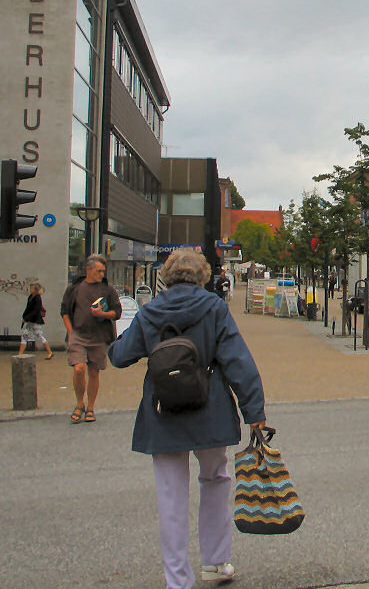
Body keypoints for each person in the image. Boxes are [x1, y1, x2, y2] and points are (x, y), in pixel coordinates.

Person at [108, 248, 266, 589]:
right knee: (215, 478)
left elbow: (120, 356)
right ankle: (216, 561)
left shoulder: (150, 311)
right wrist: (254, 412)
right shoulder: (215, 308)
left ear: (166, 277)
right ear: (203, 277)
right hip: (209, 407)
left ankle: (178, 579)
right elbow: (238, 361)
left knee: (171, 495)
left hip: (163, 410)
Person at [60, 254, 121, 424]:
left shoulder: (108, 290)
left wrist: (103, 314)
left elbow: (117, 312)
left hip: (99, 337)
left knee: (94, 372)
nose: (101, 274)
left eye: (103, 271)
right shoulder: (75, 288)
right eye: (98, 271)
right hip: (78, 335)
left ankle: (90, 407)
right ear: (88, 269)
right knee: (79, 368)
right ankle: (79, 403)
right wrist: (71, 332)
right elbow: (64, 311)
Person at [19, 282, 53, 359]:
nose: (30, 289)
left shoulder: (37, 297)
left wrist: (26, 318)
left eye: (31, 288)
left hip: (35, 321)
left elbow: (36, 310)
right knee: (26, 335)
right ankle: (20, 354)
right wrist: (24, 317)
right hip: (31, 320)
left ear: (35, 289)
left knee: (37, 335)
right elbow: (28, 308)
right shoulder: (31, 296)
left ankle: (49, 352)